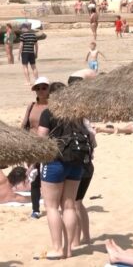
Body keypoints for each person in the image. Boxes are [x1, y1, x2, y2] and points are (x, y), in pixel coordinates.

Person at [37, 82, 90, 259]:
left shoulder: (48, 113)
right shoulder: (76, 114)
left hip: (55, 161)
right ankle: (69, 249)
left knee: (51, 206)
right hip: (76, 161)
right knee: (68, 205)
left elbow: (41, 139)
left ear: (52, 97)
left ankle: (58, 247)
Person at [22, 77, 51, 218]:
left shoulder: (53, 106)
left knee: (48, 179)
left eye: (44, 87)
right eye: (38, 88)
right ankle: (35, 209)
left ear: (49, 89)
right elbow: (24, 126)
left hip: (48, 146)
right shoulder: (32, 105)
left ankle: (51, 207)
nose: (40, 90)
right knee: (35, 178)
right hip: (32, 145)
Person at [73, 119, 96, 247]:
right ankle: (86, 237)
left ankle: (76, 240)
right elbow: (93, 145)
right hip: (88, 166)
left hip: (78, 167)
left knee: (74, 203)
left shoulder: (71, 125)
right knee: (78, 203)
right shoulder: (86, 124)